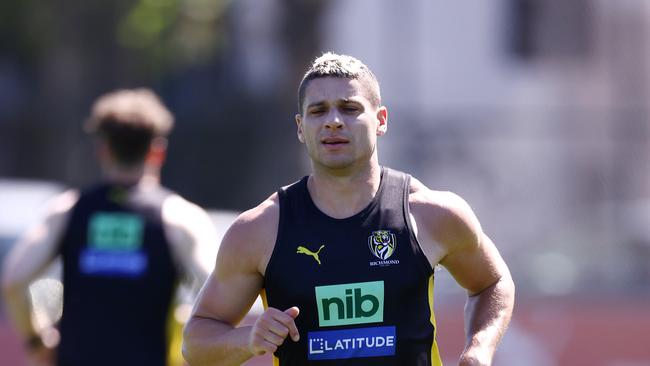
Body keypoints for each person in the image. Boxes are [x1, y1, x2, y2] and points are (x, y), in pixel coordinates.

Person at [182, 53, 515, 366]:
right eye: (318, 111)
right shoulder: (259, 230)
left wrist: (479, 348)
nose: (333, 121)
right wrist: (247, 339)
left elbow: (493, 283)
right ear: (300, 127)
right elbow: (195, 342)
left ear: (380, 120)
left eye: (349, 108)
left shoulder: (430, 214)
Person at [1, 88, 219, 366]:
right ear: (157, 151)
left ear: (103, 150)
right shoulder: (179, 217)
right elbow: (218, 289)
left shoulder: (68, 210)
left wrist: (36, 340)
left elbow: (13, 280)